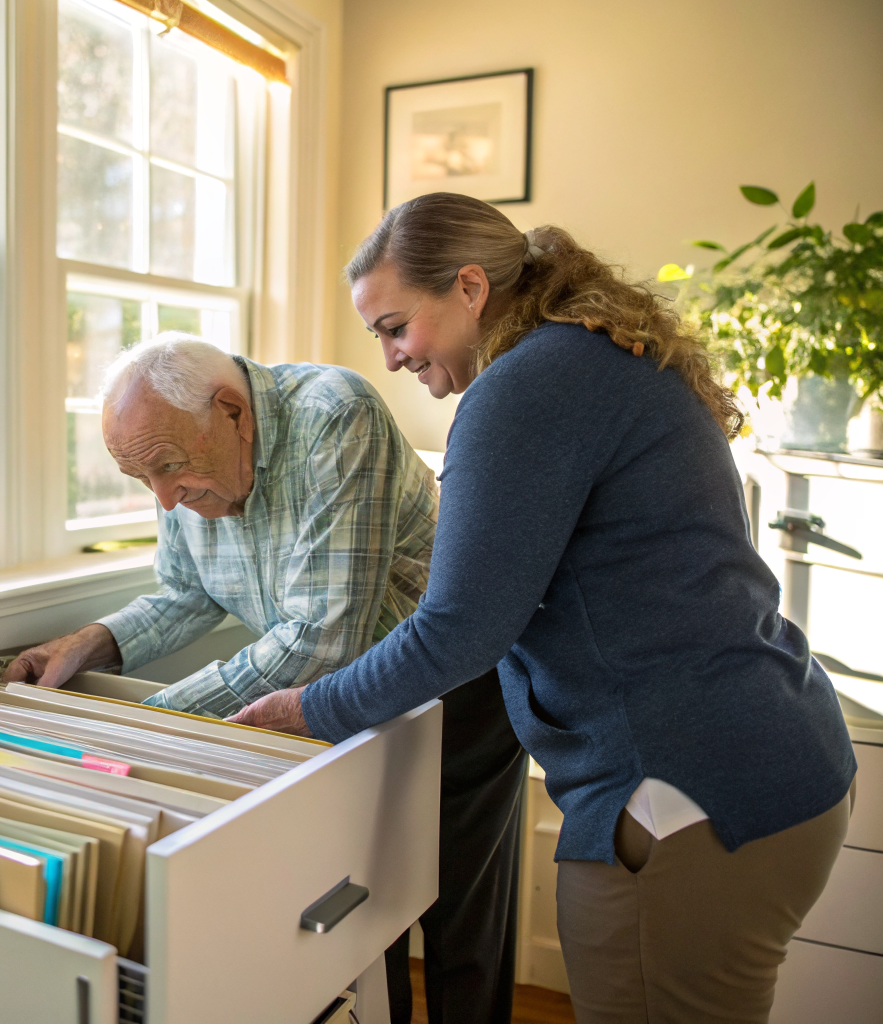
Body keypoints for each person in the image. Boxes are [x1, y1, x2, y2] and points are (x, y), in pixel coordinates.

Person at [230, 192, 857, 1024]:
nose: (389, 358)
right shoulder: (594, 359)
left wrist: (308, 707)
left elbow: (460, 629)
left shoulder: (521, 389)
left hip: (687, 794)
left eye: (394, 327)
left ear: (467, 289)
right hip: (774, 761)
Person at [4, 334, 526, 1024]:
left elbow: (321, 637)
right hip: (328, 706)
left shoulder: (336, 414)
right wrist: (89, 644)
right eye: (142, 480)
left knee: (460, 913)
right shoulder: (190, 477)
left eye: (167, 467)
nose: (163, 499)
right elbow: (184, 593)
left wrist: (144, 721)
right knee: (369, 915)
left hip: (451, 689)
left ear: (231, 412)